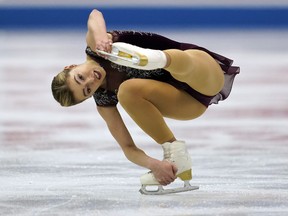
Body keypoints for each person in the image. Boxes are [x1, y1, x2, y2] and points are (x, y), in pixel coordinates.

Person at [51, 9, 240, 195]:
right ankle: (175, 151)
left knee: (182, 61)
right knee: (127, 90)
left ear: (71, 67)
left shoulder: (97, 47)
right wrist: (155, 164)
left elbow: (94, 14)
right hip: (189, 102)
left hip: (200, 70)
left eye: (80, 77)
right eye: (87, 90)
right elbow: (128, 147)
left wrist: (101, 36)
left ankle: (158, 59)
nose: (91, 81)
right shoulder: (103, 100)